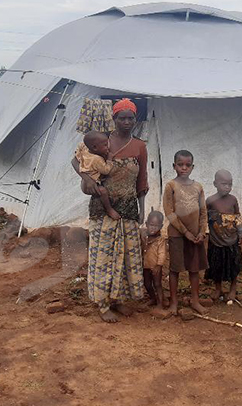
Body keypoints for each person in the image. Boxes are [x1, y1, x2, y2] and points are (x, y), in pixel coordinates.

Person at [71, 98, 149, 323]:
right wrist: (87, 179)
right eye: (121, 118)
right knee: (104, 256)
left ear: (136, 119)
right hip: (103, 208)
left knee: (126, 256)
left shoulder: (140, 146)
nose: (126, 122)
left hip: (128, 208)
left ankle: (119, 299)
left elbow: (142, 179)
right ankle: (104, 304)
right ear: (113, 119)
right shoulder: (100, 141)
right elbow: (75, 162)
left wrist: (141, 208)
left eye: (130, 118)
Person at [163, 150, 209, 315]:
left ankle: (195, 301)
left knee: (194, 269)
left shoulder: (198, 187)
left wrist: (202, 231)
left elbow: (203, 212)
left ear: (192, 167)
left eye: (188, 165)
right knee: (175, 269)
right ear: (174, 166)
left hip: (196, 236)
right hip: (177, 235)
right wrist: (185, 232)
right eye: (180, 165)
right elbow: (169, 212)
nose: (184, 168)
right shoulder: (171, 186)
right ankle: (173, 303)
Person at [205, 169, 242, 302]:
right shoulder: (210, 201)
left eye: (230, 184)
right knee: (216, 265)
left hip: (232, 240)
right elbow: (204, 218)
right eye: (224, 184)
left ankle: (233, 288)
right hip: (216, 240)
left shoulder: (233, 200)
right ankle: (218, 288)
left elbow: (238, 217)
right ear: (215, 183)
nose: (227, 187)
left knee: (233, 264)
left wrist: (241, 233)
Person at [75, 130, 119, 220]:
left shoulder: (85, 149)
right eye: (105, 145)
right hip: (90, 185)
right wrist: (109, 159)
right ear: (95, 148)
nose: (108, 147)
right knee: (102, 191)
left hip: (86, 180)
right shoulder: (96, 159)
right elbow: (106, 170)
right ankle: (109, 209)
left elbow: (78, 153)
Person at [140, 210, 169, 318]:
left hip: (156, 266)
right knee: (147, 284)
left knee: (157, 285)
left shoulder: (160, 240)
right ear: (147, 224)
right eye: (151, 225)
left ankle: (160, 304)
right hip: (145, 266)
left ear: (161, 226)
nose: (153, 228)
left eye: (156, 226)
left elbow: (162, 253)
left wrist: (159, 265)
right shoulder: (144, 236)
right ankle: (153, 298)